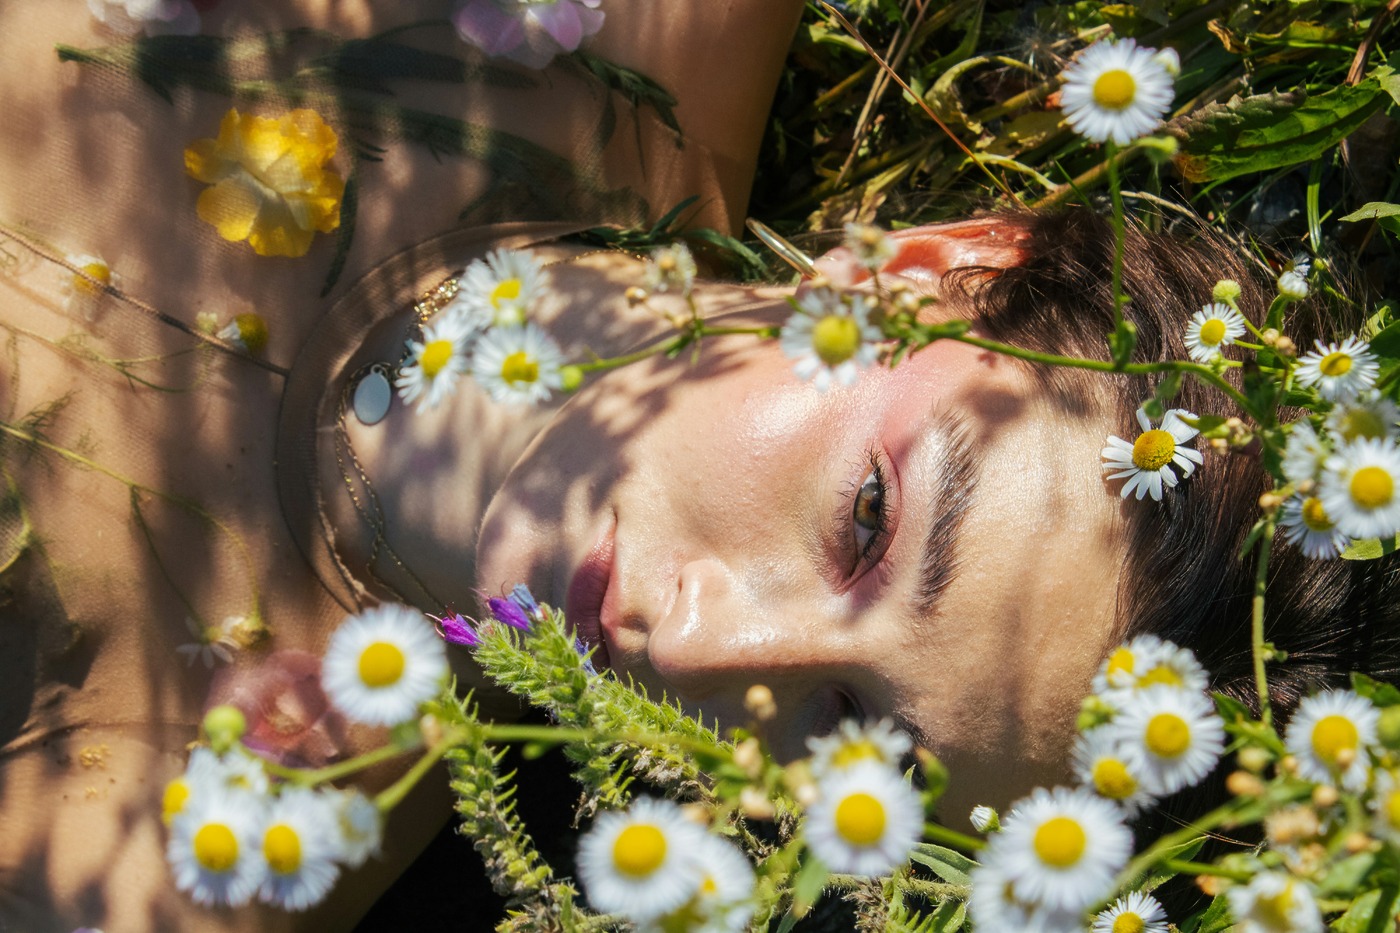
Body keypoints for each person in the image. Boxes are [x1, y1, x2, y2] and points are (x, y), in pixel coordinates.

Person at [3, 3, 1397, 932]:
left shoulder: (170, 851)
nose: (699, 645)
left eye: (846, 740)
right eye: (867, 518)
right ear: (932, 269)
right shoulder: (625, 28)